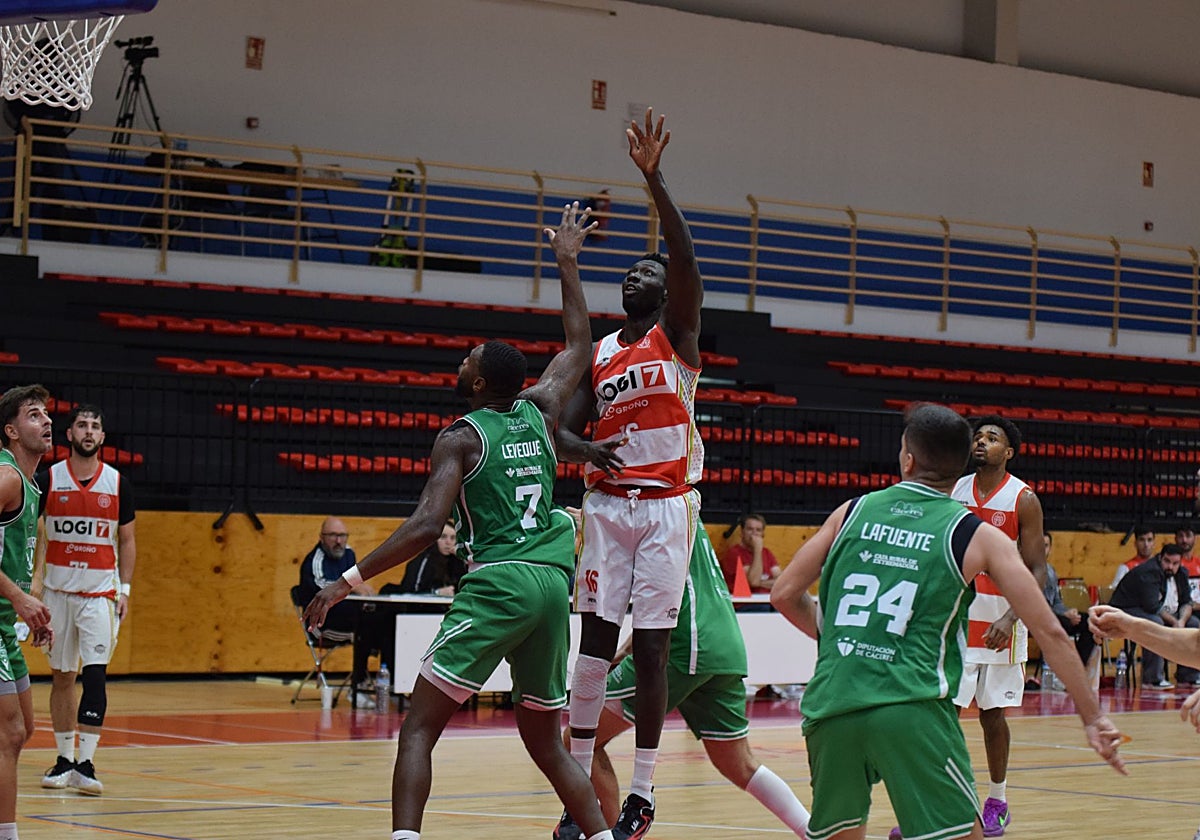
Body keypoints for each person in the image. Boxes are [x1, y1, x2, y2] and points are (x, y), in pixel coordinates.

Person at [304, 203, 616, 840]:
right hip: (554, 584)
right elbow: (581, 344)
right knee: (544, 740)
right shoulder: (540, 408)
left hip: (501, 580)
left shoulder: (461, 438)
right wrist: (567, 263)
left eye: (469, 357)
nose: (463, 358)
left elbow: (425, 526)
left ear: (477, 383)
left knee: (418, 728)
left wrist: (346, 582)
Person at [769, 403, 1126, 840]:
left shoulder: (850, 511)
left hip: (831, 705)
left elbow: (784, 595)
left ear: (907, 459)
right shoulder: (974, 533)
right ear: (960, 465)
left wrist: (844, 640)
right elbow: (1051, 631)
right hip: (910, 707)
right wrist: (1093, 718)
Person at [556, 107, 705, 839]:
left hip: (666, 508)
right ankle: (578, 782)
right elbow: (559, 426)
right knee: (591, 644)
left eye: (647, 269)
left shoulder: (677, 337)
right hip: (608, 508)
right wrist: (584, 453)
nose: (635, 273)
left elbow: (683, 257)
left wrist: (653, 180)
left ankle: (642, 792)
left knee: (651, 647)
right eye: (629, 267)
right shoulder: (605, 353)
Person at [553, 521, 810, 840]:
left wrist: (593, 522)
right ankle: (812, 831)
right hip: (723, 642)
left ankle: (599, 832)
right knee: (737, 763)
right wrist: (625, 649)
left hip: (684, 645)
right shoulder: (684, 512)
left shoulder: (648, 514)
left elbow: (661, 605)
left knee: (578, 739)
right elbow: (670, 599)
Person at [949, 413, 1045, 837]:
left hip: (1001, 620)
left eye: (992, 437)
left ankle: (997, 800)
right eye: (979, 436)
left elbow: (1038, 569)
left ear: (1009, 452)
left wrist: (1011, 616)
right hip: (957, 620)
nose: (981, 441)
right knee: (945, 715)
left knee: (992, 716)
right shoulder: (956, 489)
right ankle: (946, 806)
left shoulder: (1023, 499)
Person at [33, 404, 136, 796]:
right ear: (70, 434)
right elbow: (36, 534)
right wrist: (36, 583)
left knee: (95, 674)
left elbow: (127, 541)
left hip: (99, 596)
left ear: (103, 437)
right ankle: (63, 759)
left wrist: (124, 589)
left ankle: (87, 763)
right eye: (81, 425)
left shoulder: (117, 483)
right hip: (58, 593)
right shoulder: (47, 480)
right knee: (62, 677)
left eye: (95, 426)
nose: (89, 431)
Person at [0, 384, 55, 840]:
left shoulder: (32, 483)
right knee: (10, 733)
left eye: (46, 414)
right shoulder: (6, 478)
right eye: (34, 415)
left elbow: (29, 547)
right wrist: (19, 599)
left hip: (5, 622)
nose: (47, 421)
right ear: (11, 430)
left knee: (25, 729)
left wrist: (30, 604)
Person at [297, 517, 389, 709]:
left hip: (346, 618)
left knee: (384, 624)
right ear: (322, 537)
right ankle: (358, 685)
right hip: (322, 625)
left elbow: (356, 583)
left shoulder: (349, 554)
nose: (339, 540)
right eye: (333, 535)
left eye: (342, 535)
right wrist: (353, 588)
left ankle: (390, 685)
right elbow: (322, 588)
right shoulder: (315, 560)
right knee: (364, 632)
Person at [1108, 542, 1200, 688]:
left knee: (1193, 623)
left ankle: (1188, 676)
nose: (1170, 566)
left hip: (1153, 610)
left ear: (1180, 562)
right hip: (1126, 609)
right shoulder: (1149, 572)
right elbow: (1152, 607)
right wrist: (1174, 623)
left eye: (1175, 563)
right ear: (1160, 558)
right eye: (1167, 561)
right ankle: (1152, 678)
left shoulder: (1181, 573)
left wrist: (1181, 622)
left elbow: (1187, 603)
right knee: (1155, 622)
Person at [1039, 532, 1095, 671]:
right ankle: (1058, 671)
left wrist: (1068, 612)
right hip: (1035, 617)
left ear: (1050, 548)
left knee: (1089, 622)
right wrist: (1064, 616)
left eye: (1045, 546)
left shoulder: (1051, 570)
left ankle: (1077, 671)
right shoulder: (1025, 569)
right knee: (1061, 622)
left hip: (1054, 614)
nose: (1042, 550)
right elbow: (1035, 604)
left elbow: (1056, 601)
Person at [394, 521, 462, 596]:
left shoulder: (459, 561)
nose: (448, 542)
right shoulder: (423, 561)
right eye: (443, 537)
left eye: (453, 538)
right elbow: (411, 592)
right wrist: (436, 593)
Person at [721, 514, 780, 594]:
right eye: (750, 529)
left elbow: (781, 581)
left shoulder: (767, 553)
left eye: (758, 530)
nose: (754, 533)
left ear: (763, 534)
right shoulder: (734, 553)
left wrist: (760, 583)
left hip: (766, 600)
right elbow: (754, 581)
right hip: (744, 603)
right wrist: (757, 549)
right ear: (742, 533)